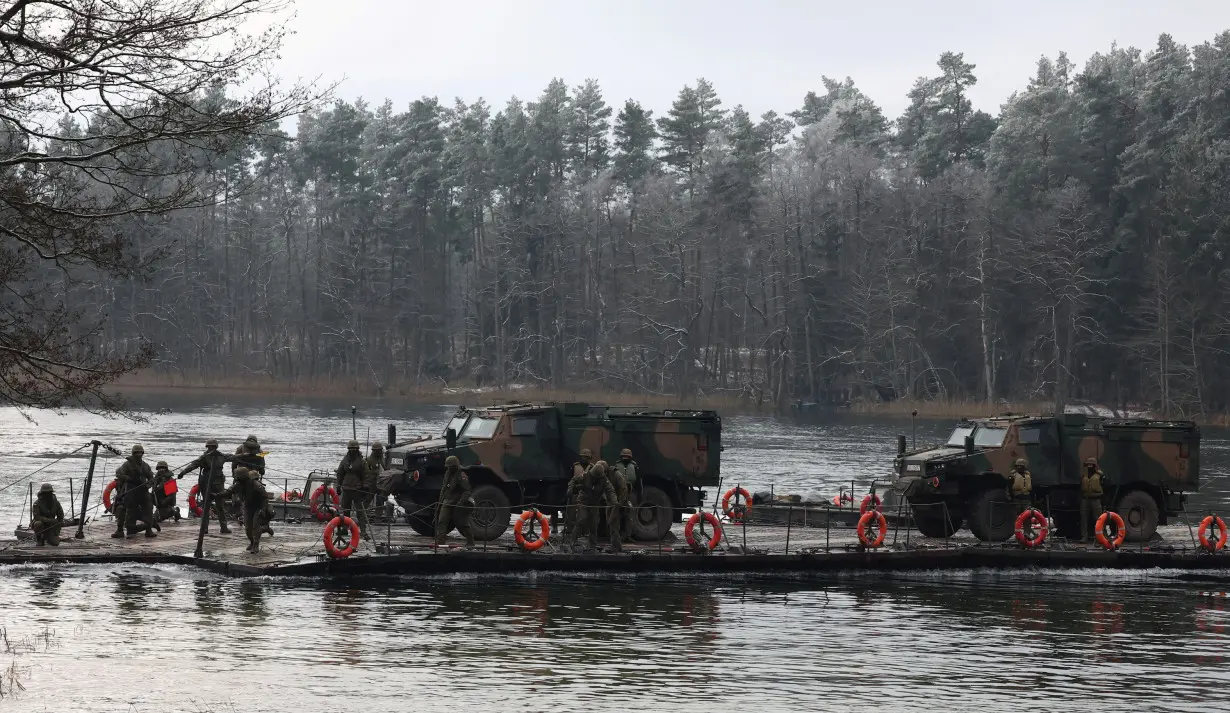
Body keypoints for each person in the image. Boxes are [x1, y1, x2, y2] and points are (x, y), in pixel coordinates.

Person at [178, 438, 231, 534]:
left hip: (219, 485)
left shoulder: (221, 456)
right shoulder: (203, 457)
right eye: (209, 447)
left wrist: (251, 456)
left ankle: (224, 527)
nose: (211, 449)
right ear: (207, 447)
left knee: (220, 507)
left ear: (216, 447)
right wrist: (183, 472)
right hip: (207, 485)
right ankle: (204, 528)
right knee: (206, 507)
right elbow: (193, 465)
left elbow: (234, 457)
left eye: (213, 447)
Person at [565, 459, 617, 551]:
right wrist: (570, 490)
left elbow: (610, 490)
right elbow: (573, 480)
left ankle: (592, 545)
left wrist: (614, 501)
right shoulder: (585, 476)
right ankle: (573, 541)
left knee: (594, 523)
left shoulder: (604, 480)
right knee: (582, 519)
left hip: (594, 504)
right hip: (583, 501)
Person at [220, 467, 272, 553]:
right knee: (248, 527)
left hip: (258, 507)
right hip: (248, 507)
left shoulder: (256, 485)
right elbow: (228, 492)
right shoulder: (238, 485)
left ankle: (256, 544)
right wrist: (216, 495)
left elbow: (265, 498)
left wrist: (262, 509)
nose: (237, 479)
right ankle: (252, 542)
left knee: (255, 525)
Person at [116, 444, 157, 538]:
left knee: (148, 508)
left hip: (143, 490)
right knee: (131, 510)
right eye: (136, 453)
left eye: (140, 453)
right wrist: (130, 479)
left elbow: (151, 477)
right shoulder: (127, 464)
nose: (138, 454)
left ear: (142, 453)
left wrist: (148, 485)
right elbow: (119, 473)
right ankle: (131, 531)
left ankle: (148, 529)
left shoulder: (145, 465)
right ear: (133, 453)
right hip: (132, 489)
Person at [434, 455, 474, 547]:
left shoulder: (461, 475)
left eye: (450, 466)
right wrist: (440, 502)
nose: (449, 468)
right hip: (447, 501)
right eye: (448, 467)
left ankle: (470, 541)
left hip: (458, 503)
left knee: (462, 523)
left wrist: (460, 503)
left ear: (455, 466)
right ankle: (440, 542)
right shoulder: (447, 474)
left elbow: (467, 491)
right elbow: (444, 489)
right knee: (442, 521)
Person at [335, 440, 370, 541]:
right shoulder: (345, 460)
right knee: (345, 511)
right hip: (346, 489)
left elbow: (366, 475)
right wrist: (338, 485)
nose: (352, 451)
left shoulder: (362, 462)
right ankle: (344, 529)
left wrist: (365, 488)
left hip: (357, 490)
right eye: (351, 449)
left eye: (354, 449)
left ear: (357, 450)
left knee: (360, 512)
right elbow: (340, 473)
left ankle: (363, 531)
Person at [611, 448, 638, 541]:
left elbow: (638, 481)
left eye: (627, 456)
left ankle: (628, 535)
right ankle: (617, 535)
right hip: (619, 494)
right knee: (617, 515)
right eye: (624, 456)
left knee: (629, 516)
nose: (625, 458)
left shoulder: (634, 466)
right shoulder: (616, 466)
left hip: (630, 494)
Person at [1080, 457, 1106, 543]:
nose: (1089, 466)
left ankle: (1099, 537)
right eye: (1088, 464)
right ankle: (1084, 537)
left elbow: (1104, 484)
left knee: (1098, 519)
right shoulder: (1084, 475)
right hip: (1085, 499)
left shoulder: (1099, 475)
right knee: (1084, 518)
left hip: (1096, 499)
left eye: (1091, 464)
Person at [365, 441, 385, 513]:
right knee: (367, 499)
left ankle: (378, 517)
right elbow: (365, 472)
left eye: (380, 450)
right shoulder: (369, 460)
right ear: (374, 451)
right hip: (371, 484)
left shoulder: (383, 459)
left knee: (380, 501)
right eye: (378, 450)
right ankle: (363, 515)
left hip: (381, 484)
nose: (380, 451)